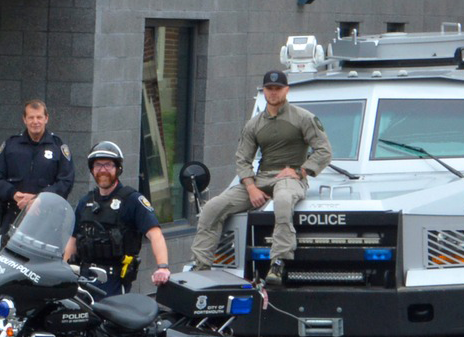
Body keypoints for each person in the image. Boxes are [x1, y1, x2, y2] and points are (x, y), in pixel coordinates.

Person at [192, 70, 332, 288]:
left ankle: (278, 261)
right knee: (212, 207)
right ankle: (201, 266)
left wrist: (301, 171)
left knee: (284, 202)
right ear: (264, 90)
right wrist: (251, 188)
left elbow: (323, 151)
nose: (273, 93)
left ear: (286, 90)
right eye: (269, 88)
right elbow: (242, 159)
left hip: (290, 178)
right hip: (260, 179)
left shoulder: (303, 118)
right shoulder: (254, 124)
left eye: (278, 88)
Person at [64, 142, 171, 297]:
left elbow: (155, 235)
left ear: (118, 168)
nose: (102, 170)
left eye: (108, 165)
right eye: (98, 165)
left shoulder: (132, 200)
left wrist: (163, 266)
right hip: (83, 277)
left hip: (113, 281)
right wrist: (64, 269)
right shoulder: (85, 202)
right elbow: (73, 239)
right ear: (92, 169)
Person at [0, 100, 74, 235]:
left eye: (39, 117)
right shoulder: (11, 145)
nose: (35, 121)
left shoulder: (58, 147)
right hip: (14, 215)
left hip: (47, 219)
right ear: (24, 119)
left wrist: (38, 199)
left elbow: (66, 181)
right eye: (31, 117)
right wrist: (13, 194)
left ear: (46, 118)